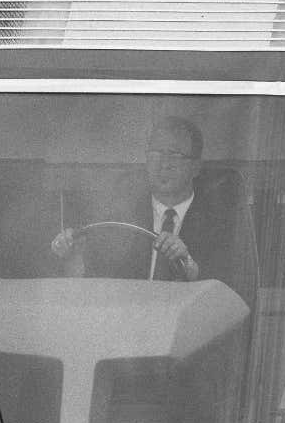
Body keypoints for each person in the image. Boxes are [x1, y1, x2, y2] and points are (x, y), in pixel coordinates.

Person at [49, 115, 250, 291]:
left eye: (174, 155)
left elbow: (230, 293)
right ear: (146, 160)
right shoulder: (121, 219)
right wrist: (73, 259)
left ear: (196, 167)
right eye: (157, 153)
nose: (164, 164)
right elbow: (96, 290)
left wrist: (189, 267)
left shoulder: (220, 223)